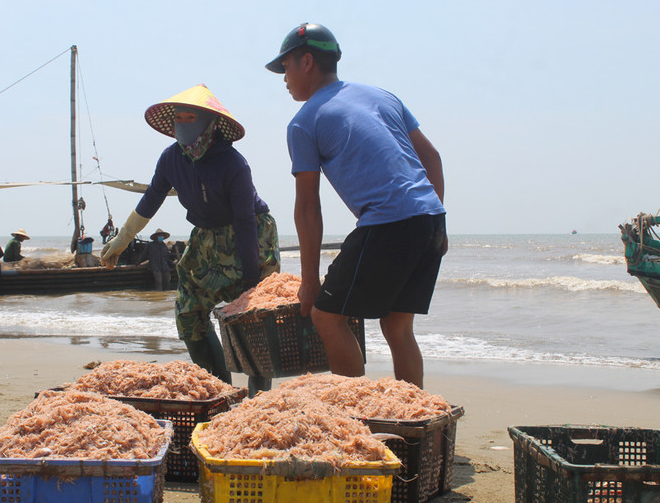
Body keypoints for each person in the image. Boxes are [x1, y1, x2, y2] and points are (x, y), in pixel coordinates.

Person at [266, 23, 447, 388]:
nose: (283, 79)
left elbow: (307, 208)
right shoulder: (381, 96)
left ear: (306, 61)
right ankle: (412, 417)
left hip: (387, 222)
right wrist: (435, 220)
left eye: (284, 68)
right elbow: (432, 158)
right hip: (430, 217)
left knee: (326, 317)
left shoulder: (304, 122)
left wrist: (310, 282)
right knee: (397, 325)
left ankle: (354, 417)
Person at [101, 84, 280, 395]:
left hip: (250, 233)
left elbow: (243, 221)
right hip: (205, 235)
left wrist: (252, 281)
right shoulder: (171, 159)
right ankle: (219, 389)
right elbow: (151, 199)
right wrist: (121, 240)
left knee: (254, 318)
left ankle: (258, 397)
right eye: (178, 118)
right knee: (188, 311)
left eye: (190, 118)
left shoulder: (233, 164)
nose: (183, 124)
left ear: (208, 123)